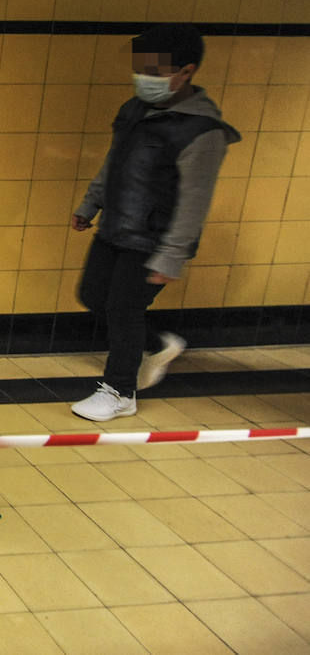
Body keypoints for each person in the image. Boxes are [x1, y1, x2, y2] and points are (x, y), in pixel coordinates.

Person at [70, 24, 240, 421]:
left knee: (124, 311)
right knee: (94, 297)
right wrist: (90, 204)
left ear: (187, 71)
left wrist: (171, 259)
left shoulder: (202, 132)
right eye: (141, 68)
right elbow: (114, 162)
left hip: (153, 240)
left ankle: (119, 393)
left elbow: (194, 202)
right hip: (116, 225)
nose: (145, 77)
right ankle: (158, 342)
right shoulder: (135, 110)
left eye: (156, 70)